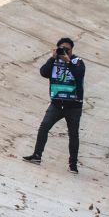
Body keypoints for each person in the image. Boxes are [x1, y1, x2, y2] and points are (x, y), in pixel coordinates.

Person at [22, 37, 86, 173]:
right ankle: (37, 155)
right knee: (44, 127)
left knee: (73, 134)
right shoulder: (54, 61)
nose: (65, 52)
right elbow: (43, 72)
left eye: (67, 50)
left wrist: (68, 62)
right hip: (57, 103)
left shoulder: (77, 62)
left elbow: (79, 75)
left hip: (73, 105)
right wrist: (52, 58)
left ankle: (73, 165)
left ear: (72, 50)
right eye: (62, 49)